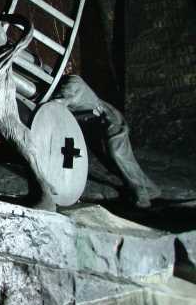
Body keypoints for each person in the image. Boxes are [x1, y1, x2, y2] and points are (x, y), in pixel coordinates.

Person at [51, 75, 161, 207]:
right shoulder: (61, 86)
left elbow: (60, 102)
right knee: (109, 160)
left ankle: (141, 193)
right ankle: (150, 188)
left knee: (118, 155)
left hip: (108, 119)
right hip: (93, 125)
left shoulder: (72, 81)